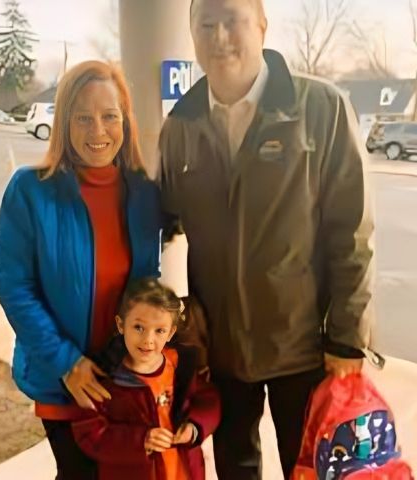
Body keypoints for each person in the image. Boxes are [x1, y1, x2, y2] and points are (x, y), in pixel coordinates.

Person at [158, 0, 376, 478]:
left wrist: (347, 339)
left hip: (306, 347)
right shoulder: (180, 127)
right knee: (236, 467)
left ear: (261, 25)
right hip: (223, 350)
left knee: (315, 467)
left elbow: (352, 234)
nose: (219, 38)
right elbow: (162, 224)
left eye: (232, 21)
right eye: (206, 25)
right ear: (192, 35)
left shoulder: (321, 109)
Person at [0, 61, 162, 480]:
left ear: (125, 120)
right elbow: (15, 286)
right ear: (63, 123)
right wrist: (68, 363)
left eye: (109, 116)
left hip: (122, 378)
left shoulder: (142, 192)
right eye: (82, 118)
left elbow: (145, 284)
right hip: (62, 377)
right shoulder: (30, 190)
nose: (98, 132)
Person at [71, 277, 221, 480]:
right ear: (121, 325)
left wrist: (194, 428)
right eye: (138, 328)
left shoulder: (180, 367)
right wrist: (141, 440)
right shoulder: (104, 378)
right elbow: (90, 434)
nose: (148, 340)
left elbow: (209, 402)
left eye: (159, 330)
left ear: (171, 333)